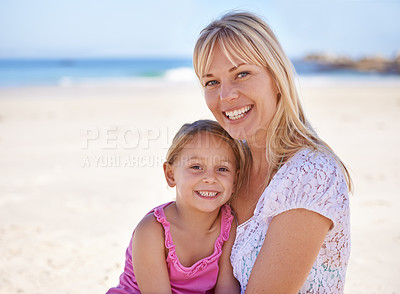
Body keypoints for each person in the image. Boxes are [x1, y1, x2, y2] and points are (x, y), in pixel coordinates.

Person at [192, 11, 352, 293]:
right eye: (212, 82)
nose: (225, 95)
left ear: (276, 78)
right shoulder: (228, 171)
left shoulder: (311, 175)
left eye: (242, 74)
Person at [106, 119, 250, 293]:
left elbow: (226, 289)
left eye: (222, 169)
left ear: (235, 180)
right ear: (171, 175)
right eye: (196, 166)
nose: (210, 178)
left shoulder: (229, 226)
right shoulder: (152, 231)